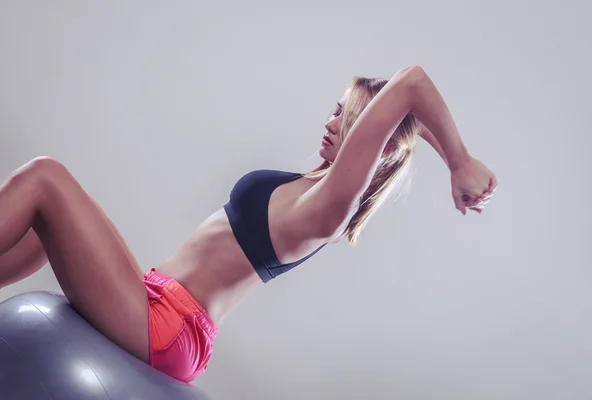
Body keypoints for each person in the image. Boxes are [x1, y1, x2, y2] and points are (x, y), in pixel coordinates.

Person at [0, 66, 496, 383]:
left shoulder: (330, 205)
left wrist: (460, 160)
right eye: (334, 109)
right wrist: (435, 146)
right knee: (44, 230)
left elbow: (412, 86)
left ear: (376, 142)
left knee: (47, 178)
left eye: (348, 116)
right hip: (157, 302)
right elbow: (409, 121)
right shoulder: (313, 186)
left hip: (170, 325)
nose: (330, 120)